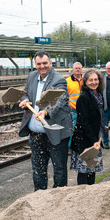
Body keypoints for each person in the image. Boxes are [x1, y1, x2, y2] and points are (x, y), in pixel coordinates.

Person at [19, 51, 72, 191]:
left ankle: (58, 198)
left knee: (59, 169)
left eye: (45, 63)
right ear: (35, 64)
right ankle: (39, 198)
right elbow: (25, 92)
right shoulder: (31, 76)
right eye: (39, 64)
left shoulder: (59, 79)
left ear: (51, 63)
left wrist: (46, 111)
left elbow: (60, 99)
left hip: (55, 133)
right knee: (38, 170)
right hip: (36, 134)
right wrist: (24, 99)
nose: (42, 66)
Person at [71, 69, 105, 185]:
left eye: (96, 80)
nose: (94, 82)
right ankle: (83, 197)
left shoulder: (99, 96)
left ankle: (91, 195)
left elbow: (99, 116)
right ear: (85, 82)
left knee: (92, 170)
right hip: (85, 141)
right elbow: (84, 123)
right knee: (84, 172)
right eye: (91, 80)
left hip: (95, 138)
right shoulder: (83, 98)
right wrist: (94, 140)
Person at [66, 62, 83, 146]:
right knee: (72, 129)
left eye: (79, 68)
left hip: (84, 110)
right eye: (76, 68)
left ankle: (80, 145)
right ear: (73, 70)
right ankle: (70, 146)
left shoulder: (85, 80)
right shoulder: (68, 81)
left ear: (81, 70)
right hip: (73, 110)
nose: (77, 70)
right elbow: (65, 96)